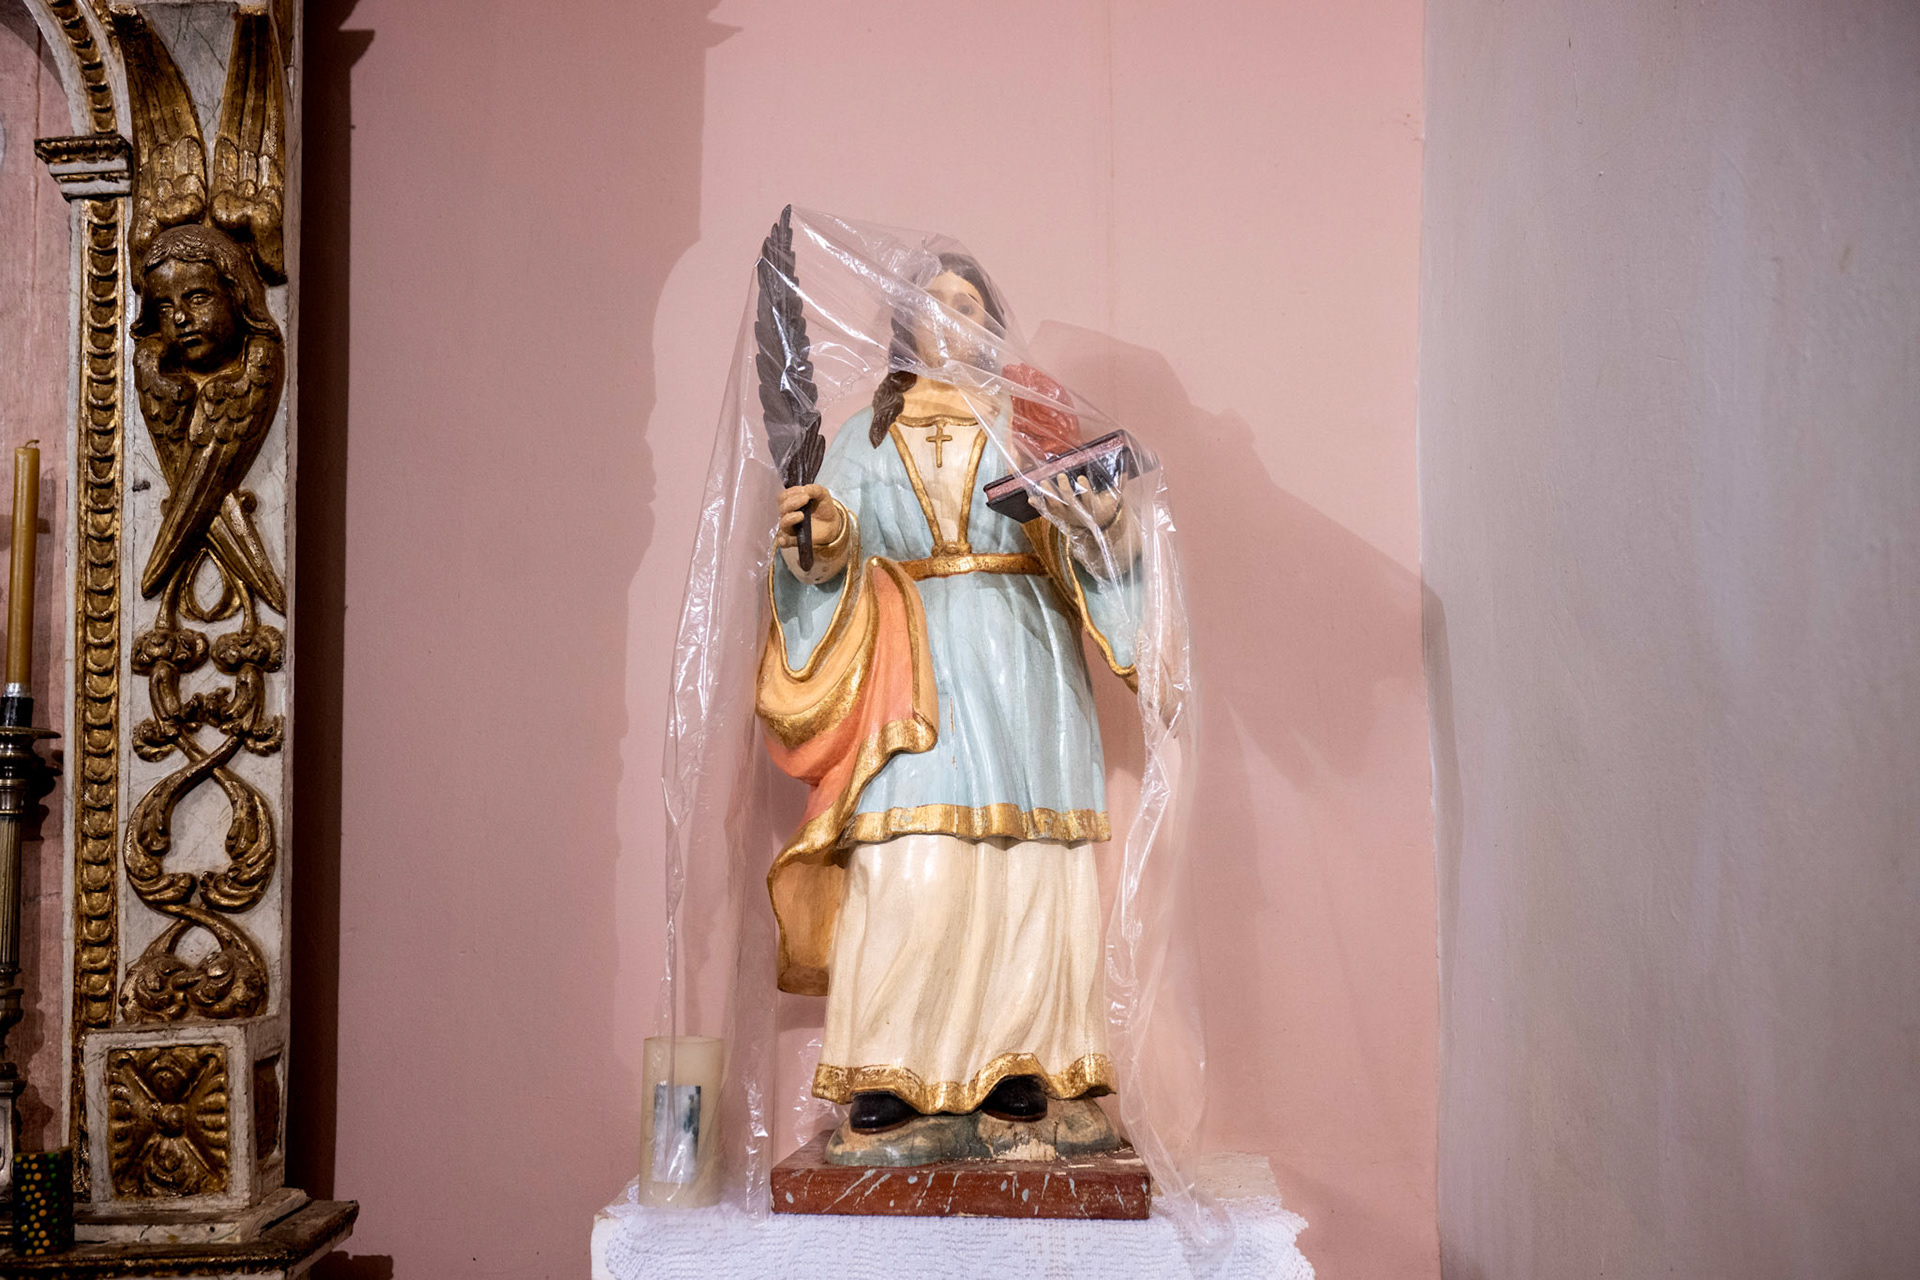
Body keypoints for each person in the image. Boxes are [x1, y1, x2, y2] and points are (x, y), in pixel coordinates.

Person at [756, 253, 1140, 1137]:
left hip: (1026, 654)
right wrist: (821, 534)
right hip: (913, 659)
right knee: (908, 857)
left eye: (970, 304)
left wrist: (1102, 518)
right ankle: (891, 1062)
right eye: (934, 303)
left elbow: (1089, 537)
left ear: (992, 324)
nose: (953, 318)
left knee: (1024, 854)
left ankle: (1018, 1059)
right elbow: (829, 551)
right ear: (907, 324)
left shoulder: (1032, 420)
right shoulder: (866, 436)